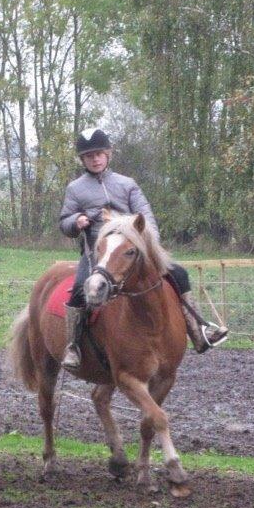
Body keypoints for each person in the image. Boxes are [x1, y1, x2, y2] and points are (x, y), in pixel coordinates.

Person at [58, 127, 227, 370]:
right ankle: (73, 345)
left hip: (135, 249)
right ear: (82, 160)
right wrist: (75, 222)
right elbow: (64, 222)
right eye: (88, 156)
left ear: (108, 154)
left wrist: (150, 244)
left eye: (98, 154)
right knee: (79, 288)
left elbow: (146, 216)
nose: (94, 159)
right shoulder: (75, 189)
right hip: (99, 252)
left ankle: (198, 330)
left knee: (179, 274)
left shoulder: (127, 184)